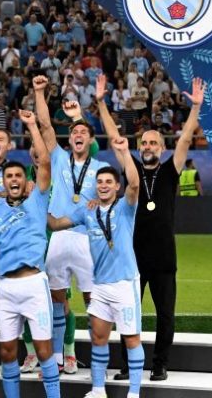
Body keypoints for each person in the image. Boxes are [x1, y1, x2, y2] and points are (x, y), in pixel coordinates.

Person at [96, 73, 205, 382]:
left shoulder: (170, 171)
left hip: (164, 258)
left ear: (161, 147)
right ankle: (129, 365)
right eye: (144, 142)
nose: (148, 146)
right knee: (128, 314)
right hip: (132, 257)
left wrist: (196, 107)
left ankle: (160, 364)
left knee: (165, 315)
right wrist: (101, 102)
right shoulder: (131, 169)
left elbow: (185, 139)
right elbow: (114, 138)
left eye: (154, 142)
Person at [0, 109, 61, 398]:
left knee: (44, 351)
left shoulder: (37, 200)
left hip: (33, 285)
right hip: (6, 287)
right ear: (4, 181)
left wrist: (32, 125)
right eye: (9, 176)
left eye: (18, 175)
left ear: (25, 179)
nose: (14, 180)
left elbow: (45, 161)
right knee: (7, 352)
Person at [49, 136, 142, 398]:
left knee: (131, 338)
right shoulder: (86, 211)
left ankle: (134, 393)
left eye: (108, 182)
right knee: (98, 338)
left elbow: (135, 184)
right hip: (100, 285)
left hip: (124, 284)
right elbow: (55, 224)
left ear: (117, 186)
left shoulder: (125, 208)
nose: (103, 185)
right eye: (99, 182)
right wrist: (37, 199)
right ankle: (98, 390)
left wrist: (125, 154)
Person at [34, 75, 114, 373]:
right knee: (56, 300)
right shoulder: (58, 159)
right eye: (74, 132)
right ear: (69, 140)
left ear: (91, 141)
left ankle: (98, 360)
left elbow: (110, 201)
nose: (78, 134)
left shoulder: (101, 168)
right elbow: (45, 126)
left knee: (95, 301)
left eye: (83, 132)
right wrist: (39, 92)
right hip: (59, 237)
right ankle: (58, 357)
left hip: (87, 239)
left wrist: (79, 117)